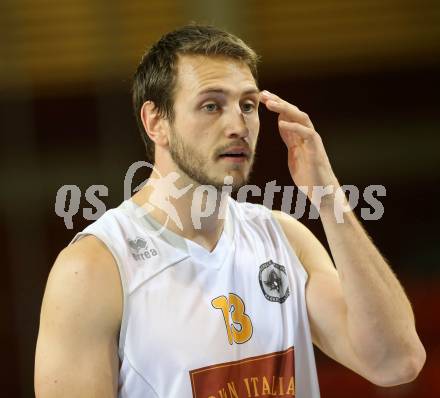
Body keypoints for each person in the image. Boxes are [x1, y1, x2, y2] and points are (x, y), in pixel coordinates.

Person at [35, 24, 425, 398]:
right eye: (211, 105)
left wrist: (329, 199)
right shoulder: (93, 268)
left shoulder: (285, 239)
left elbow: (397, 363)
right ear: (156, 121)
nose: (238, 124)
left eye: (248, 105)